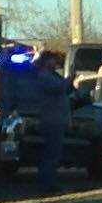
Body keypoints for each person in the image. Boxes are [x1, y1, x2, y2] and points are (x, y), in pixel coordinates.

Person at [33, 51, 71, 193]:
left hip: (56, 119)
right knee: (50, 154)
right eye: (52, 60)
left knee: (53, 154)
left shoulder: (52, 75)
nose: (55, 63)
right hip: (51, 120)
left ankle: (50, 183)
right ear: (46, 61)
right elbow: (59, 88)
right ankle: (46, 185)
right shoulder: (44, 76)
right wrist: (69, 80)